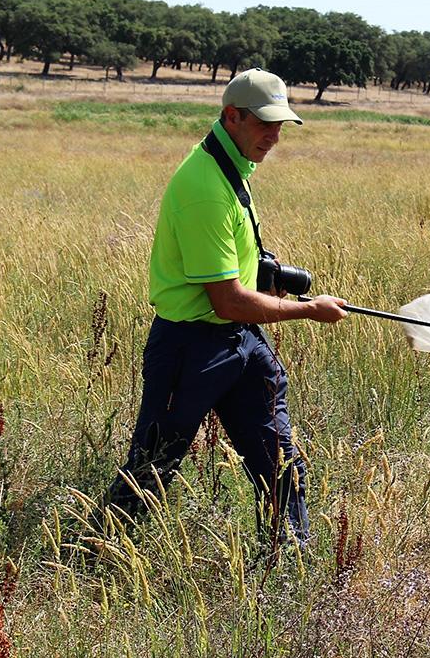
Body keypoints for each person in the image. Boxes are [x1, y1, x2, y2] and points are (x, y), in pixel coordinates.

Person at [101, 68, 347, 548]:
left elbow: (234, 277)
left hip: (241, 339)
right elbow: (229, 300)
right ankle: (92, 563)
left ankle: (290, 558)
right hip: (191, 347)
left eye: (281, 126)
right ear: (231, 116)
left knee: (277, 455)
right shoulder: (204, 187)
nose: (274, 137)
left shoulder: (232, 164)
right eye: (265, 125)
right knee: (154, 464)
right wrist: (309, 311)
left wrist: (268, 274)